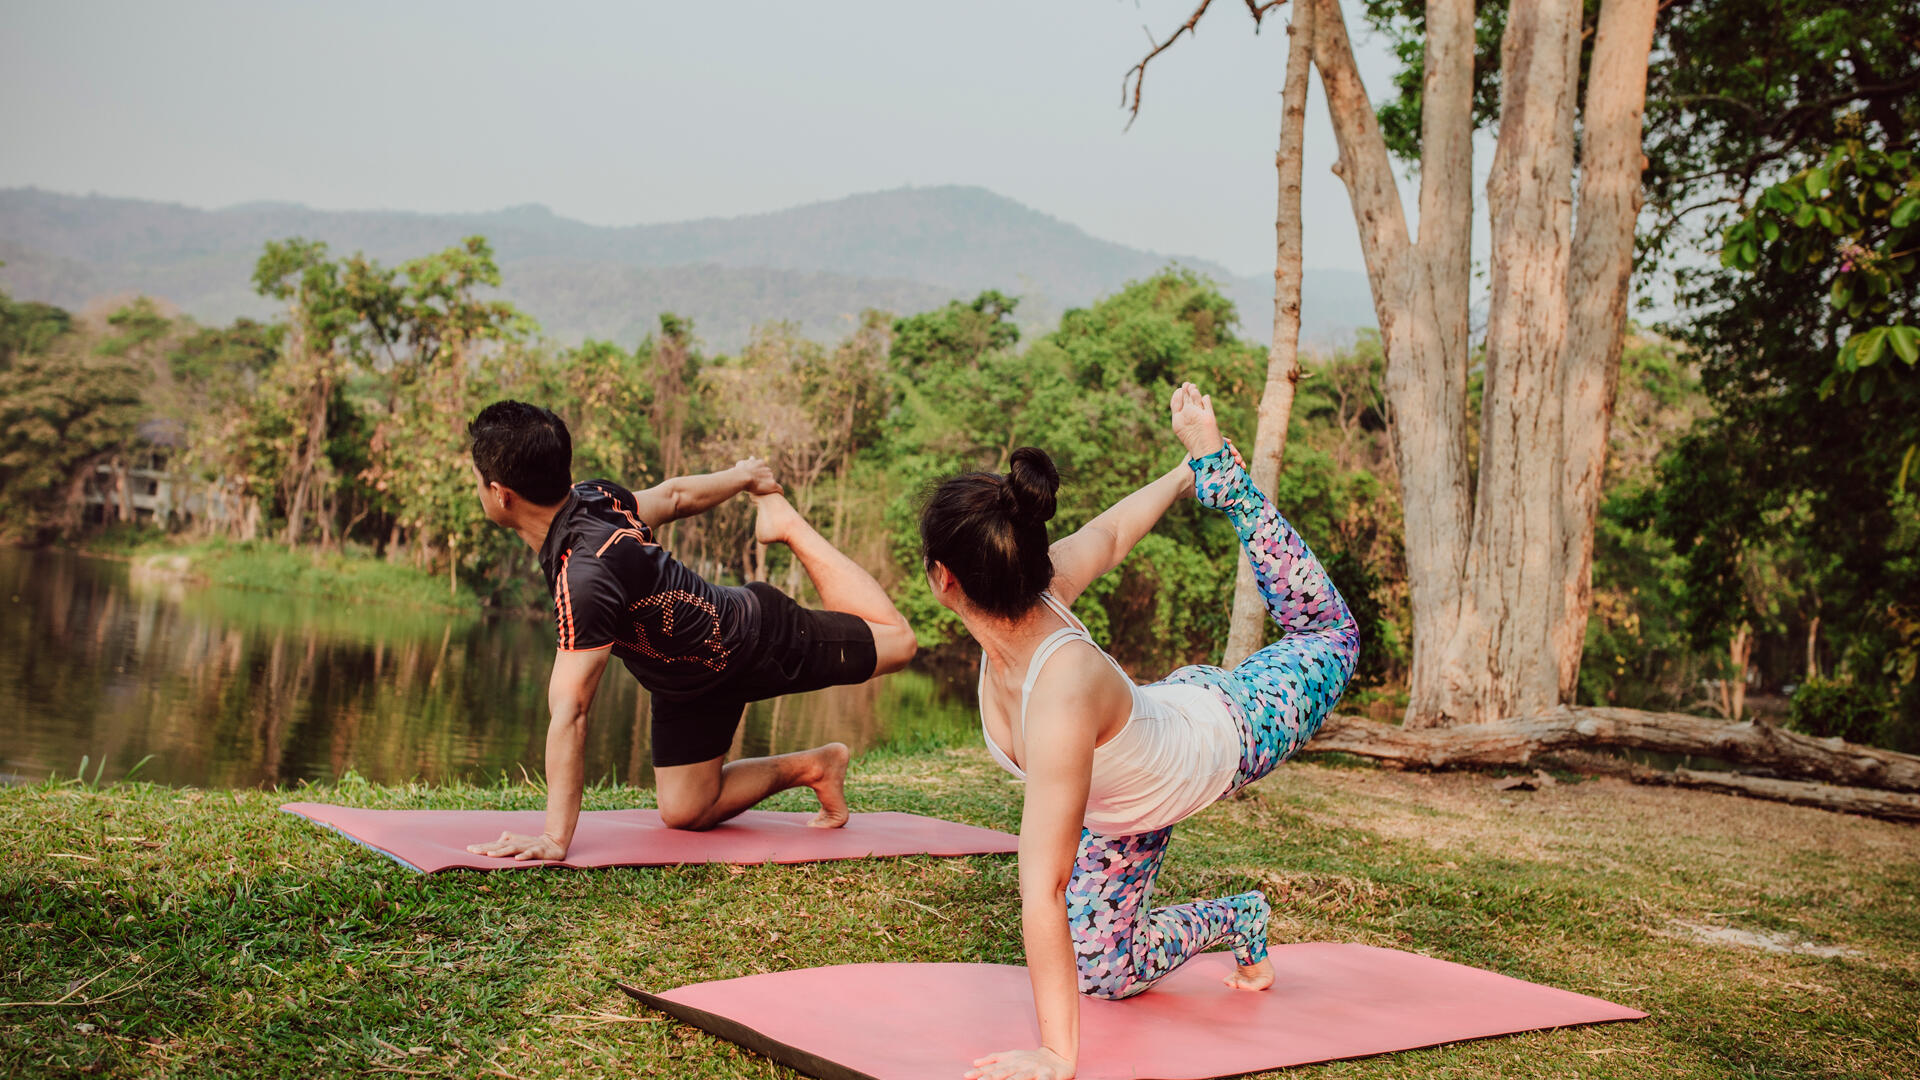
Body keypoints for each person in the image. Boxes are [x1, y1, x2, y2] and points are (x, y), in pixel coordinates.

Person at [921, 384, 1359, 1080]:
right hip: (1129, 797)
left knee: (1331, 636)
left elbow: (1044, 886)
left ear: (943, 579)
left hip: (1228, 729)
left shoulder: (1057, 682)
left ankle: (1231, 484)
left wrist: (1057, 1055)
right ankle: (1239, 918)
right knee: (1105, 974)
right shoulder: (1027, 597)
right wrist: (1183, 472)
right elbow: (1111, 533)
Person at [462, 400, 916, 861]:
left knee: (900, 644)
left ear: (501, 494)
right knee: (686, 810)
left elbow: (571, 711)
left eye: (477, 478)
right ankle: (817, 767)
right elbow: (675, 497)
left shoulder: (584, 575)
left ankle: (788, 525)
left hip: (757, 638)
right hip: (684, 687)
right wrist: (741, 476)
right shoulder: (593, 497)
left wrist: (555, 838)